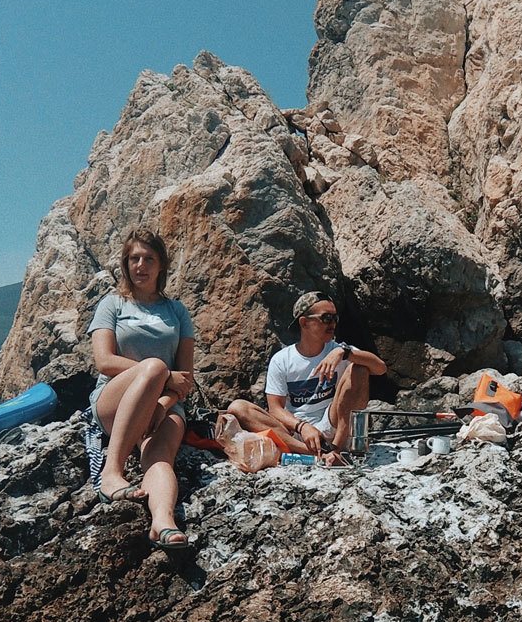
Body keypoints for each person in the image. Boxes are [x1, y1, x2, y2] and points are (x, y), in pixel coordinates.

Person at [88, 227, 194, 549]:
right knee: (156, 366)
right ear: (125, 264)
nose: (140, 265)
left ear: (161, 265)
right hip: (115, 400)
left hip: (165, 406)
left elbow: (185, 378)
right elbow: (104, 361)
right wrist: (158, 375)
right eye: (134, 258)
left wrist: (162, 402)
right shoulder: (112, 304)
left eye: (149, 258)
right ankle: (112, 472)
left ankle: (162, 521)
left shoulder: (177, 312)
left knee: (160, 457)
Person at [226, 291, 385, 464]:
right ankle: (317, 454)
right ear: (304, 322)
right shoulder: (282, 359)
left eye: (335, 318)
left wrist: (344, 352)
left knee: (360, 368)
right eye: (326, 318)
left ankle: (336, 450)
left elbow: (380, 368)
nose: (332, 323)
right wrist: (302, 427)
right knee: (238, 407)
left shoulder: (339, 351)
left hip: (332, 424)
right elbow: (275, 409)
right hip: (296, 432)